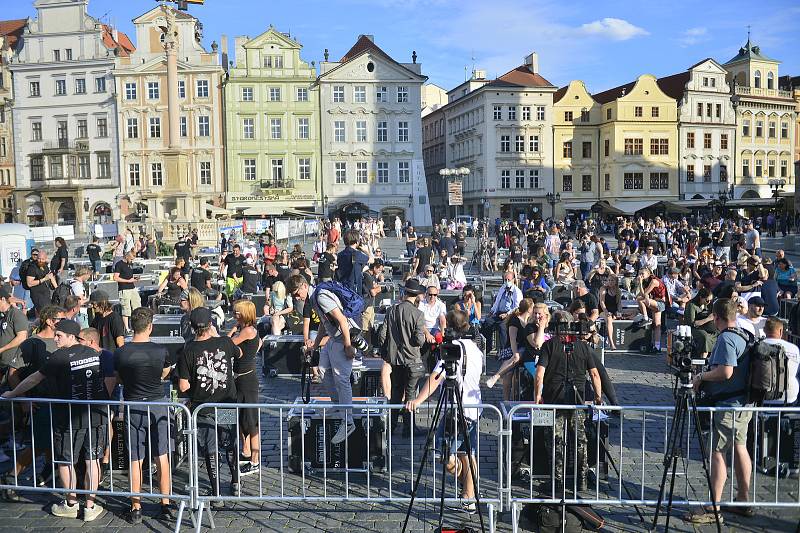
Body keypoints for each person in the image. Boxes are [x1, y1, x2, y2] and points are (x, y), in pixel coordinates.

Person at [2, 319, 114, 521]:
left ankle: (71, 504)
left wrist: (14, 393)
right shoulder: (92, 352)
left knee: (66, 461)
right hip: (96, 415)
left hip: (69, 417)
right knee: (92, 461)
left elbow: (34, 378)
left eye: (59, 335)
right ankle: (90, 506)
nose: (55, 339)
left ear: (72, 336)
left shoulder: (58, 357)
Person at [405, 308, 484, 513]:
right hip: (473, 408)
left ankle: (468, 490)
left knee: (444, 452)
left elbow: (435, 378)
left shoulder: (453, 349)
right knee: (468, 453)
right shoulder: (476, 349)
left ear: (448, 326)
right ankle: (469, 495)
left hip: (458, 409)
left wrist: (418, 400)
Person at [687, 298, 753, 525]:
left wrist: (701, 376)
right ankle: (743, 500)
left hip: (728, 406)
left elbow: (725, 372)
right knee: (740, 448)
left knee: (717, 453)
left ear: (716, 317)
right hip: (743, 403)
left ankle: (713, 507)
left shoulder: (726, 338)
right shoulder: (745, 334)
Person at [112, 307, 174, 523]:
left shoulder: (120, 352)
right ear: (150, 327)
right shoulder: (161, 350)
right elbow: (164, 373)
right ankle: (165, 504)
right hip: (157, 405)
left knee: (135, 458)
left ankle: (136, 506)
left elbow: (118, 378)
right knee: (162, 456)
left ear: (131, 326)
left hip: (133, 405)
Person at [534, 311, 602, 493]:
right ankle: (581, 480)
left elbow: (539, 375)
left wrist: (537, 397)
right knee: (580, 441)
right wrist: (598, 397)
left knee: (556, 441)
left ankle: (557, 482)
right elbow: (595, 374)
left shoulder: (549, 346)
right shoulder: (582, 346)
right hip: (577, 400)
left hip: (553, 399)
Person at [177, 307, 240, 503]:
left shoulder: (188, 351)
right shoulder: (224, 342)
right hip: (226, 404)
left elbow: (183, 384)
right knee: (230, 443)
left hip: (203, 408)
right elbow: (238, 354)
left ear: (192, 326)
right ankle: (236, 482)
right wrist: (217, 335)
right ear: (211, 324)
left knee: (210, 449)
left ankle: (216, 491)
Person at [295, 273, 361, 444]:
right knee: (323, 372)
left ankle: (348, 421)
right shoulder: (314, 298)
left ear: (303, 286)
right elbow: (325, 325)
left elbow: (341, 320)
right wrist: (315, 346)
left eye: (296, 293)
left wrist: (347, 346)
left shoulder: (320, 296)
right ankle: (339, 406)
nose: (297, 297)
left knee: (342, 380)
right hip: (333, 339)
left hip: (341, 339)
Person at [376, 278, 428, 437]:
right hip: (412, 359)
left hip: (395, 360)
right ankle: (409, 428)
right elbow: (419, 339)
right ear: (417, 295)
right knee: (410, 394)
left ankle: (391, 427)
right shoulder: (418, 314)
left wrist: (387, 352)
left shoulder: (392, 310)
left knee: (396, 394)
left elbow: (381, 336)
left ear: (405, 293)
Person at [228, 300, 262, 477]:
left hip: (247, 381)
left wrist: (232, 331)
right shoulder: (249, 330)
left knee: (251, 421)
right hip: (241, 379)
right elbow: (260, 343)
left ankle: (255, 461)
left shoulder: (247, 330)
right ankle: (246, 450)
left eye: (237, 312)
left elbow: (228, 344)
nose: (235, 314)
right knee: (240, 419)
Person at [486, 298, 534, 399]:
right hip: (513, 348)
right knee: (509, 373)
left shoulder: (530, 320)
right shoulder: (515, 320)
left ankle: (498, 377)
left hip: (526, 350)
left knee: (519, 360)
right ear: (529, 309)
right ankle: (506, 399)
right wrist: (515, 353)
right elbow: (512, 339)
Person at [482, 271, 523, 354]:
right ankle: (488, 347)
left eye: (509, 280)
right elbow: (497, 302)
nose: (507, 282)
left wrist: (507, 314)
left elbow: (517, 307)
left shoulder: (517, 292)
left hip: (510, 314)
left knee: (502, 326)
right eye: (505, 280)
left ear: (513, 280)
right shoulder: (502, 288)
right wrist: (492, 311)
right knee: (487, 322)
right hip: (499, 312)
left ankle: (504, 350)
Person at [0, 288, 29, 389]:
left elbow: (22, 337)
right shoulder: (4, 316)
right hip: (4, 364)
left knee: (14, 394)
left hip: (13, 364)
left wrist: (2, 349)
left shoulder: (16, 314)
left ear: (2, 299)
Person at [635, 267, 667, 353]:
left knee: (639, 299)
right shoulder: (647, 281)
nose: (640, 276)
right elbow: (644, 294)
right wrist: (641, 284)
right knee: (657, 325)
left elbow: (645, 294)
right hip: (655, 302)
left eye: (642, 274)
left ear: (648, 274)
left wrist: (640, 284)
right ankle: (657, 347)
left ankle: (645, 318)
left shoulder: (653, 281)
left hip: (660, 303)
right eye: (639, 273)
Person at [336, 229, 370, 295]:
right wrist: (365, 250)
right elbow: (371, 259)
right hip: (354, 288)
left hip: (343, 286)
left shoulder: (340, 254)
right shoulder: (357, 254)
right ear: (357, 242)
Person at [113, 252, 141, 332]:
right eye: (131, 259)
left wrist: (134, 279)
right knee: (126, 309)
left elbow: (129, 276)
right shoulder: (119, 264)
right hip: (124, 289)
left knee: (137, 305)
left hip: (132, 288)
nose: (132, 261)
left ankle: (136, 326)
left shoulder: (129, 264)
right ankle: (127, 328)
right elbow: (115, 278)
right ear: (127, 257)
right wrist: (128, 281)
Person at [26, 250, 57, 315]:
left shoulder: (45, 266)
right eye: (39, 259)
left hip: (45, 294)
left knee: (48, 313)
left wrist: (57, 289)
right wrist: (43, 279)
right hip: (37, 295)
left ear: (45, 259)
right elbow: (29, 283)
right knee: (45, 314)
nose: (40, 260)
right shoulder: (32, 268)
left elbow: (51, 276)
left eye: (42, 259)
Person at [598, 275, 622, 350]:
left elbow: (619, 304)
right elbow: (602, 302)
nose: (610, 282)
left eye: (612, 280)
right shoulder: (603, 289)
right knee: (609, 319)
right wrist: (606, 312)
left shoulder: (618, 290)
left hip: (614, 310)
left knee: (634, 312)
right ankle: (611, 342)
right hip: (603, 310)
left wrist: (618, 312)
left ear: (616, 282)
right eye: (608, 280)